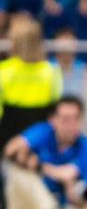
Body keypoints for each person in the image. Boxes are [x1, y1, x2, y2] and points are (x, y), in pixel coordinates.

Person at [3, 95, 87, 209]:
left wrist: (70, 185)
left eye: (75, 119)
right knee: (18, 172)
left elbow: (86, 198)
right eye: (65, 119)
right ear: (53, 120)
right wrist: (45, 168)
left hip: (64, 208)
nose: (70, 125)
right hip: (34, 203)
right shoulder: (43, 132)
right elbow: (10, 150)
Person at [0, 15, 63, 143]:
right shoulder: (51, 71)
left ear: (15, 43)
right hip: (40, 138)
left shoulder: (4, 70)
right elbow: (55, 106)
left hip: (9, 136)